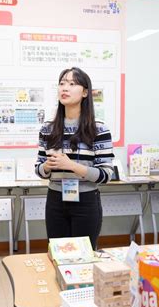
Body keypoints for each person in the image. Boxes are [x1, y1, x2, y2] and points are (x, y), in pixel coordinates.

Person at [34, 67, 114, 249]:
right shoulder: (48, 128)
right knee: (58, 254)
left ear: (85, 92)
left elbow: (106, 174)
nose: (65, 88)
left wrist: (71, 165)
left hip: (86, 201)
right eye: (62, 83)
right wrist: (47, 166)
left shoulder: (99, 129)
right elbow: (39, 169)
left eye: (72, 84)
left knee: (84, 255)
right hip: (55, 199)